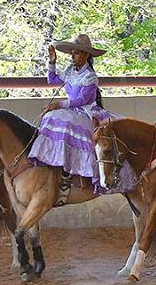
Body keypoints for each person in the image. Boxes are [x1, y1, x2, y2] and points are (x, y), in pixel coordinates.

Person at [28, 34, 123, 192]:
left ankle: (84, 175)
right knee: (51, 118)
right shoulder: (70, 70)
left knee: (68, 124)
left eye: (76, 53)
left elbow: (83, 100)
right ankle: (56, 164)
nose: (72, 56)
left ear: (86, 55)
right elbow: (52, 80)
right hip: (71, 109)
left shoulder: (90, 76)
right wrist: (52, 62)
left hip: (87, 111)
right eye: (71, 53)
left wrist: (59, 104)